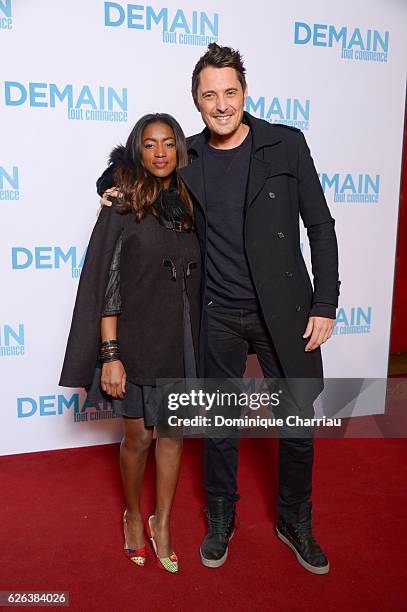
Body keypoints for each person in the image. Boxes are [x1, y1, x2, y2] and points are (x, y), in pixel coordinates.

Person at [98, 44, 341, 574]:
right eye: (209, 95)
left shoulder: (286, 144)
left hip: (287, 312)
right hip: (217, 312)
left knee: (298, 421)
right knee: (221, 424)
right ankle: (221, 514)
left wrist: (326, 302)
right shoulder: (185, 156)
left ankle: (294, 518)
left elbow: (320, 226)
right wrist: (108, 186)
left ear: (244, 93)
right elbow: (133, 166)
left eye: (229, 92)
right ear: (197, 102)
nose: (221, 104)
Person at [59, 114, 201, 574]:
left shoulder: (190, 201)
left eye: (167, 143)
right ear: (137, 152)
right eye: (149, 144)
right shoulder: (123, 205)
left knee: (174, 435)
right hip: (135, 342)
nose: (159, 152)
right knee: (138, 436)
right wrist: (110, 356)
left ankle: (164, 523)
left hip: (180, 340)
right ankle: (134, 515)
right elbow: (108, 285)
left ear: (179, 148)